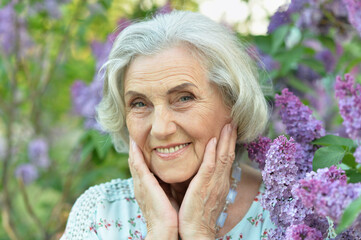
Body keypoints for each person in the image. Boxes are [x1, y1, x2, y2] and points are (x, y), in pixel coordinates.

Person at [61, 10, 276, 240]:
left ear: (234, 103)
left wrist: (199, 232)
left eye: (184, 98)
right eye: (140, 103)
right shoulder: (99, 213)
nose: (161, 129)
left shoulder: (289, 212)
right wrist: (159, 232)